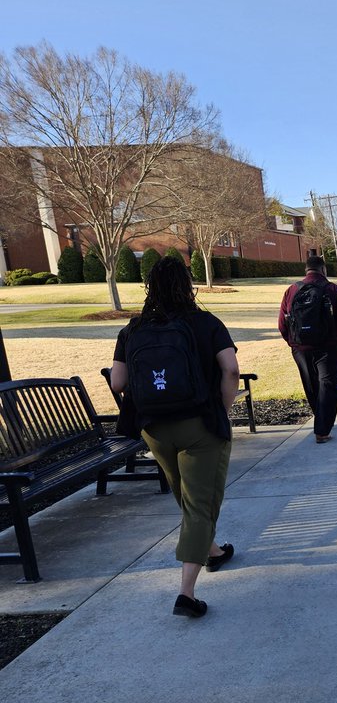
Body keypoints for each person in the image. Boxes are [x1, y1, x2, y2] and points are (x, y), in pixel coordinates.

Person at [110, 255, 240, 618]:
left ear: (149, 286)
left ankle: (211, 550)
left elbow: (118, 382)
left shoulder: (133, 329)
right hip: (200, 425)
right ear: (187, 284)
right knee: (201, 502)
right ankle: (186, 593)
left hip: (154, 428)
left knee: (185, 494)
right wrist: (222, 411)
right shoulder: (206, 323)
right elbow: (230, 369)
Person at [277, 253, 337, 443]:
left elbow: (282, 323)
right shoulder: (333, 289)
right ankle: (322, 429)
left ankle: (321, 422)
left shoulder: (292, 290)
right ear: (323, 269)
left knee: (311, 386)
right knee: (328, 386)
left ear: (306, 270)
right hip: (329, 346)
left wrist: (293, 343)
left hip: (301, 347)